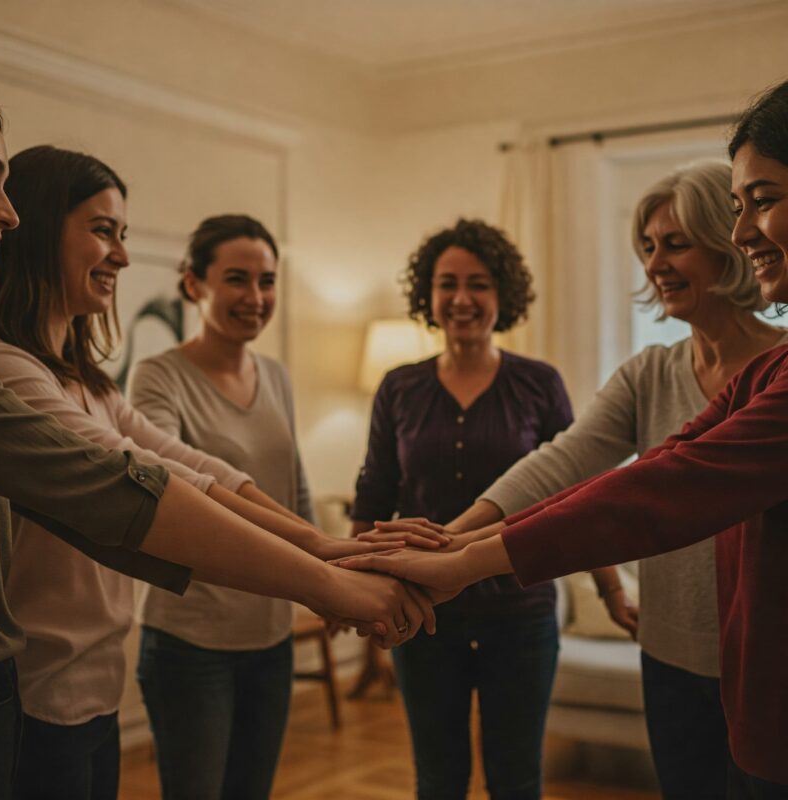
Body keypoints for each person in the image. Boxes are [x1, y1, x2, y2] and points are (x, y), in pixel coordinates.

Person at [337, 81, 788, 798]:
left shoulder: (774, 370)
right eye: (647, 246)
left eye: (676, 243)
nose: (656, 262)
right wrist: (451, 545)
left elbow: (656, 492)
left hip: (759, 658)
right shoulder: (660, 373)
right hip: (674, 650)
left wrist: (461, 559)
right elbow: (574, 466)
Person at [0, 98, 432, 800]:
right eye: (104, 231)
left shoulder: (92, 384)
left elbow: (201, 470)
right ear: (40, 231)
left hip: (91, 688)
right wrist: (334, 579)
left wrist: (330, 551)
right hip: (41, 695)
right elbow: (142, 483)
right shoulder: (7, 369)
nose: (124, 255)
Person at [350, 219, 573, 800]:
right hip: (422, 615)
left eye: (478, 284)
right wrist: (346, 589)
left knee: (516, 779)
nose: (461, 299)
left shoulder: (540, 384)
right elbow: (374, 495)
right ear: (428, 295)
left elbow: (574, 491)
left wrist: (613, 591)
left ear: (504, 295)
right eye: (447, 284)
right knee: (437, 778)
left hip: (520, 613)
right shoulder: (398, 388)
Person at [127, 215, 308, 799]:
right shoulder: (158, 376)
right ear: (192, 285)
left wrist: (331, 575)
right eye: (237, 279)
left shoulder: (275, 375)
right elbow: (172, 482)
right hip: (190, 641)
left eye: (267, 281)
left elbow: (293, 489)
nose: (255, 298)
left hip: (271, 634)